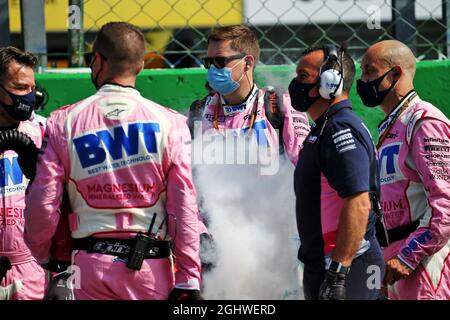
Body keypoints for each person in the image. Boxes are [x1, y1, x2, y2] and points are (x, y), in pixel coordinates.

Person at [24, 22, 203, 300]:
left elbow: (43, 202)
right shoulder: (172, 123)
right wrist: (189, 277)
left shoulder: (63, 121)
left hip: (88, 266)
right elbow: (184, 204)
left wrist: (44, 254)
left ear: (97, 60)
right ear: (141, 66)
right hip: (151, 268)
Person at [289, 44, 385, 300]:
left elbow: (359, 203)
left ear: (330, 82)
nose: (294, 83)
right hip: (326, 263)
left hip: (346, 266)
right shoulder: (325, 127)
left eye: (303, 76)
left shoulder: (339, 129)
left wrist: (338, 273)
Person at [357, 40, 450, 300]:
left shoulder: (424, 121)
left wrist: (408, 257)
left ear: (396, 73)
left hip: (423, 264)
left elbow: (446, 202)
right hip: (394, 262)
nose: (362, 80)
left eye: (369, 71)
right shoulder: (391, 125)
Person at [188, 24, 310, 166]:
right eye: (208, 62)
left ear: (247, 63)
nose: (213, 68)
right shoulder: (199, 111)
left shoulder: (279, 104)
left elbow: (307, 167)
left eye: (220, 61)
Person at [0, 46, 46, 300]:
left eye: (32, 88)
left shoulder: (43, 133)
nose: (29, 95)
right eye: (19, 88)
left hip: (30, 267)